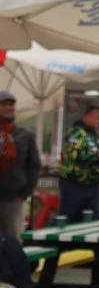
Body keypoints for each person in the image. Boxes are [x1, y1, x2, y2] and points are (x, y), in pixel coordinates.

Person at [0, 91, 40, 240]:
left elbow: (34, 166)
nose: (9, 108)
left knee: (12, 242)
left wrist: (23, 194)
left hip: (13, 199)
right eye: (4, 104)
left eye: (11, 105)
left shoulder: (25, 135)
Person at [59, 106, 99, 223]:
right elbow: (74, 155)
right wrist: (97, 157)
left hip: (93, 185)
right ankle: (48, 240)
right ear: (87, 117)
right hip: (75, 184)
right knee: (68, 218)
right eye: (97, 118)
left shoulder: (96, 135)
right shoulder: (76, 133)